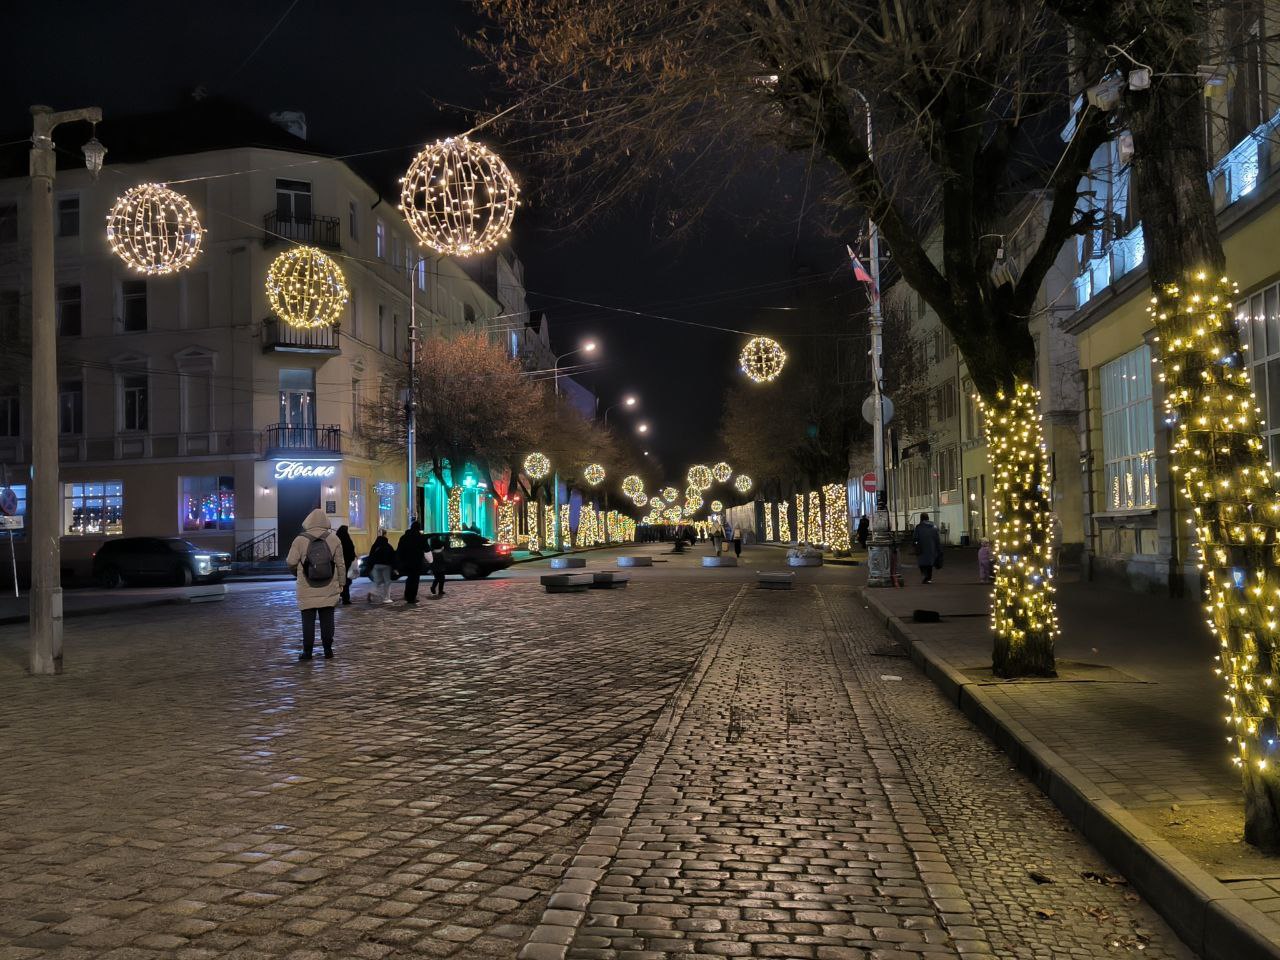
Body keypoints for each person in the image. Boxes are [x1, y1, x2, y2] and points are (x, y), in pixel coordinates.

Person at [285, 508, 345, 661]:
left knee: (308, 622)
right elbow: (340, 564)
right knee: (327, 620)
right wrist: (342, 583)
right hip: (329, 585)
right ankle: (328, 650)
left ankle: (307, 652)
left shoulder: (299, 540)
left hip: (306, 586)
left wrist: (298, 573)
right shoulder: (334, 539)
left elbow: (291, 562)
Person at [396, 520, 428, 604]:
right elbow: (426, 548)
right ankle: (412, 597)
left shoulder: (404, 537)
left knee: (410, 577)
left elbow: (399, 550)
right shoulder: (420, 537)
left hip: (406, 561)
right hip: (416, 561)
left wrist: (400, 560)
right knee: (415, 579)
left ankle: (407, 594)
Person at [366, 529, 396, 604]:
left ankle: (372, 591)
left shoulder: (375, 545)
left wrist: (370, 566)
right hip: (386, 565)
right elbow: (392, 556)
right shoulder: (388, 545)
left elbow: (371, 555)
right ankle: (386, 598)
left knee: (377, 580)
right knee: (387, 581)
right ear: (385, 535)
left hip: (376, 565)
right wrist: (394, 567)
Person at [913, 512, 943, 584]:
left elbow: (915, 538)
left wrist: (915, 544)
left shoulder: (918, 527)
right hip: (931, 548)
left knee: (922, 563)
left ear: (921, 518)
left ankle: (924, 575)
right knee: (929, 564)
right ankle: (928, 578)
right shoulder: (934, 527)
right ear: (928, 518)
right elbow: (937, 539)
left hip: (921, 548)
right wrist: (939, 549)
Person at [336, 524, 357, 605]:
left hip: (338, 563)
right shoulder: (347, 539)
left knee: (338, 580)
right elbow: (351, 550)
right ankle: (346, 599)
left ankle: (339, 596)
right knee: (346, 581)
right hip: (347, 563)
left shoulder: (336, 539)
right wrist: (352, 558)